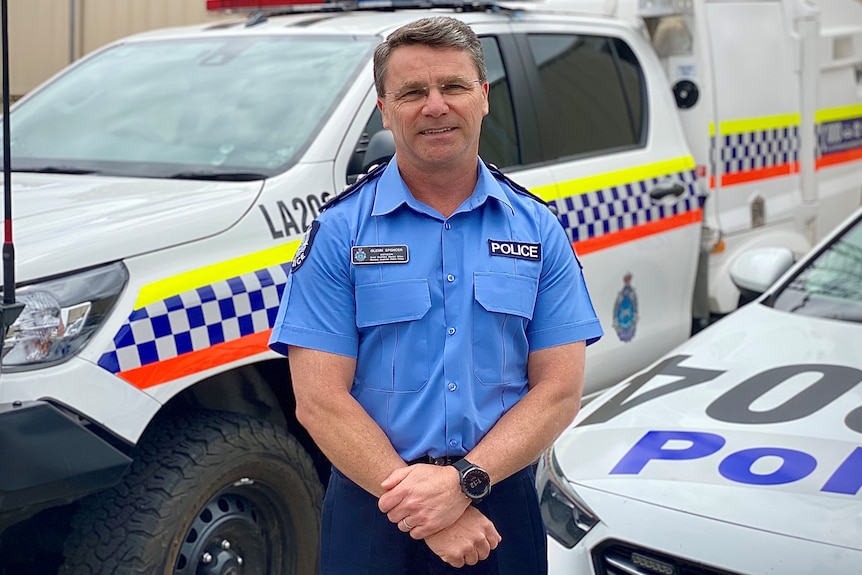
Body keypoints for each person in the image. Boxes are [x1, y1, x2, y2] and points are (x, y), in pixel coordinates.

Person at [268, 15, 603, 574]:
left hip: (497, 502)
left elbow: (559, 391)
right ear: (384, 108)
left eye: (452, 87)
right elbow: (320, 400)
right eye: (412, 92)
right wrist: (432, 511)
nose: (435, 106)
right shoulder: (341, 231)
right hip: (373, 499)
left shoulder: (537, 229)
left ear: (483, 97)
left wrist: (463, 483)